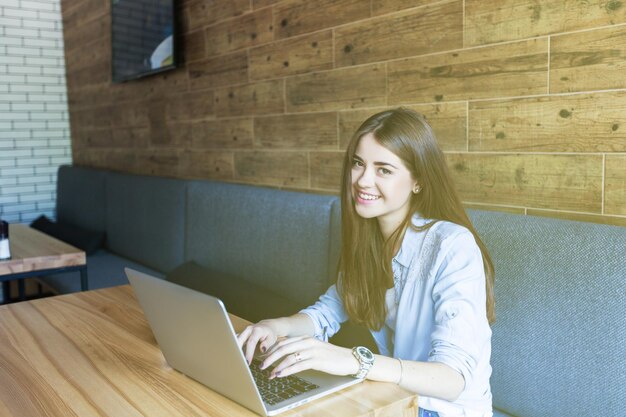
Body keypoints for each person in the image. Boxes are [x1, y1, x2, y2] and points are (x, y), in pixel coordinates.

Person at [237, 108, 495, 417]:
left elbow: (452, 379)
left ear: (418, 181)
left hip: (442, 410)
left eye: (384, 169)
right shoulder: (369, 241)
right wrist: (273, 326)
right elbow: (324, 315)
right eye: (358, 164)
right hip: (392, 400)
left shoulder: (451, 244)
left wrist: (355, 360)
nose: (363, 180)